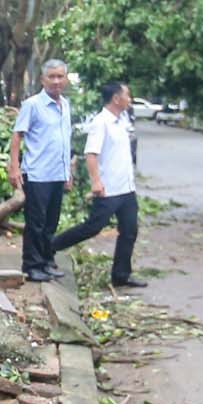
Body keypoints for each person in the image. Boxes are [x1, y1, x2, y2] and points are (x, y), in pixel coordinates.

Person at [51, 81, 147, 289]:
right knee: (93, 227)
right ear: (116, 98)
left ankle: (121, 275)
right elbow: (91, 154)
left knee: (130, 230)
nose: (129, 100)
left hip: (126, 188)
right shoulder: (101, 122)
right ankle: (50, 247)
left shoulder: (122, 120)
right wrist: (96, 182)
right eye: (127, 95)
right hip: (108, 188)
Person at [9, 59, 73, 283]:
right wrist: (14, 168)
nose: (56, 81)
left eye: (60, 76)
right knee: (35, 223)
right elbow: (17, 135)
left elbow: (65, 141)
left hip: (57, 173)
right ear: (43, 79)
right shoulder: (33, 105)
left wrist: (68, 173)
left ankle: (46, 261)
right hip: (37, 173)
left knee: (50, 223)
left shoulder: (65, 105)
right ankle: (32, 265)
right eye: (52, 77)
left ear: (66, 79)